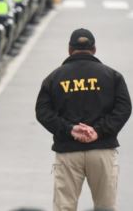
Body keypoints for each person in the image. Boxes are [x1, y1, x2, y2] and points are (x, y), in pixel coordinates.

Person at [35, 29, 131, 211]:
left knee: (65, 207)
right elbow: (124, 108)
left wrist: (70, 129)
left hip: (68, 151)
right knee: (106, 207)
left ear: (69, 50)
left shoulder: (54, 78)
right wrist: (99, 131)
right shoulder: (112, 76)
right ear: (94, 49)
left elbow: (42, 112)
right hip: (102, 150)